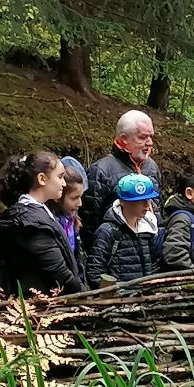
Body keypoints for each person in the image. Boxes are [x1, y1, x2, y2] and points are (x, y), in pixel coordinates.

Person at [0, 151, 86, 297]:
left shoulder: (37, 213)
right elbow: (58, 272)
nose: (64, 183)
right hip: (38, 305)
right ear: (42, 179)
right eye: (60, 177)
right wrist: (82, 292)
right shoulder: (32, 224)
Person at [81, 110, 162, 264]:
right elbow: (90, 224)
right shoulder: (101, 170)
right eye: (143, 137)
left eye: (151, 136)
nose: (150, 142)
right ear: (124, 139)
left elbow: (158, 209)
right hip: (116, 261)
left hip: (149, 258)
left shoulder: (152, 167)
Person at [88, 174, 161, 282]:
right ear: (123, 202)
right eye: (140, 201)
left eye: (148, 199)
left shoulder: (148, 228)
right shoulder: (107, 232)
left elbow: (155, 264)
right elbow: (95, 272)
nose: (147, 205)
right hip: (119, 297)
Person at [47, 156, 88, 286]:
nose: (80, 203)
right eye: (74, 198)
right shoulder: (50, 224)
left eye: (81, 197)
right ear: (58, 197)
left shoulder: (72, 223)